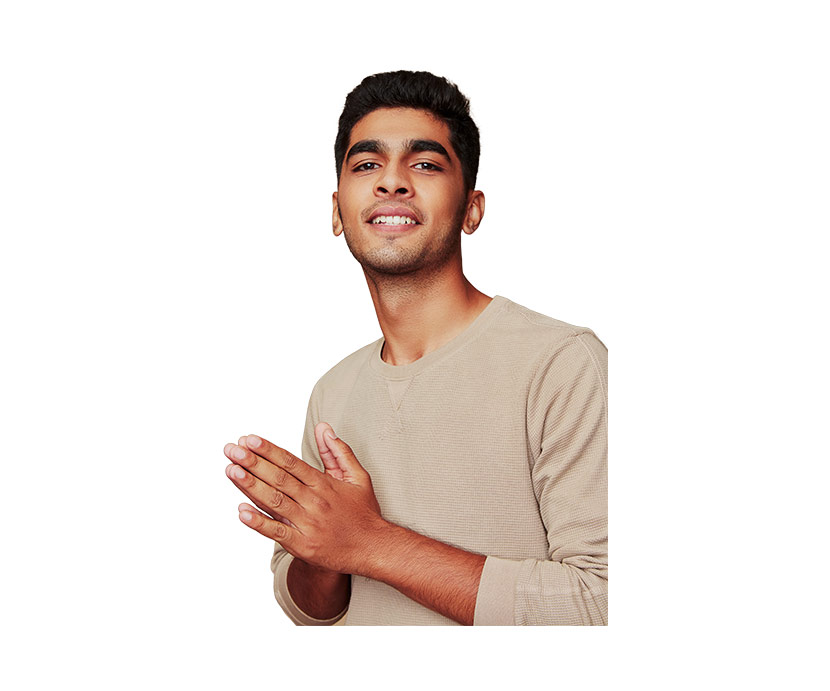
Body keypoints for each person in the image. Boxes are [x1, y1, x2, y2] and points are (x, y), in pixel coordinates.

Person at [223, 70, 608, 626]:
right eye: (366, 165)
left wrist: (370, 543)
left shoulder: (563, 364)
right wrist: (321, 546)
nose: (392, 182)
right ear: (337, 210)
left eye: (425, 164)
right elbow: (314, 613)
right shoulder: (333, 391)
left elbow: (603, 603)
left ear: (472, 209)